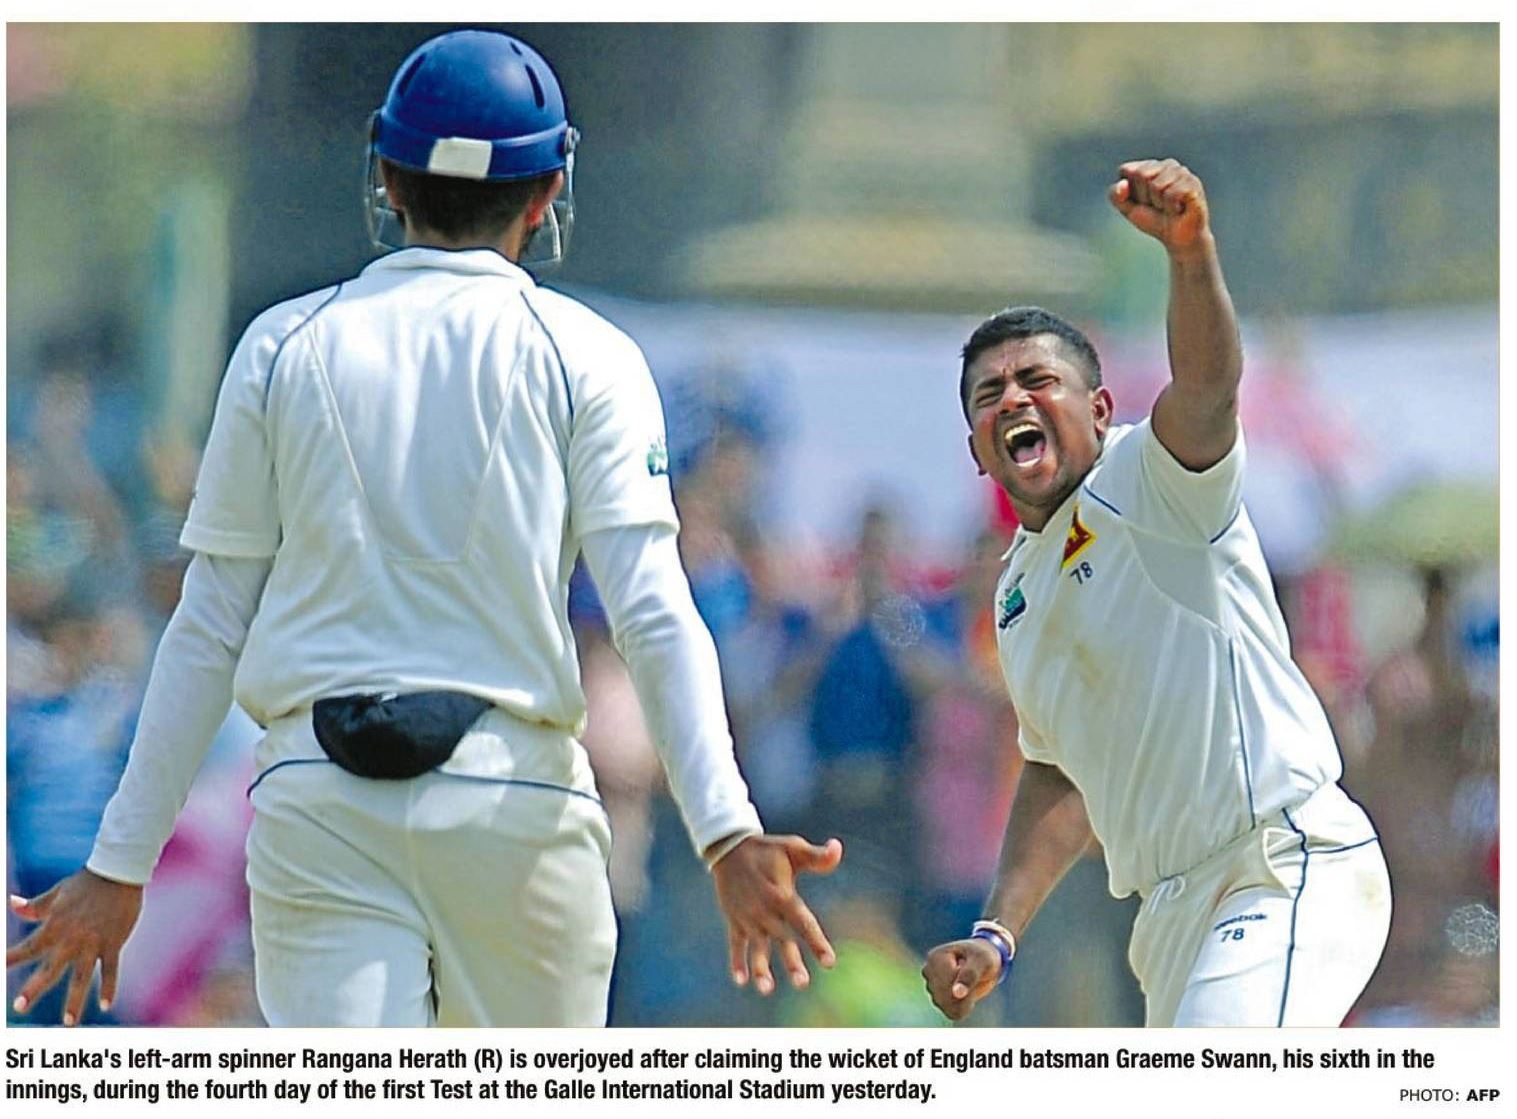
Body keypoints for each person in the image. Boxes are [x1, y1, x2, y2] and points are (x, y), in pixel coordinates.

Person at [8, 28, 841, 1028]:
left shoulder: (283, 344)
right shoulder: (591, 355)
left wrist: (119, 863)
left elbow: (210, 623)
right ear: (547, 193)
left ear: (387, 178)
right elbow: (654, 613)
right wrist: (726, 830)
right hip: (515, 800)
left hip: (321, 799)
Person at [921, 158, 1391, 1027]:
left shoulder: (1147, 478)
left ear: (1101, 410)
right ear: (977, 451)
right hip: (1169, 917)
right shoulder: (1016, 594)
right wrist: (996, 931)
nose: (1014, 399)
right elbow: (1059, 768)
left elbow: (1207, 388)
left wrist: (1188, 252)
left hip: (1277, 864)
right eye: (990, 395)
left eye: (1038, 381)